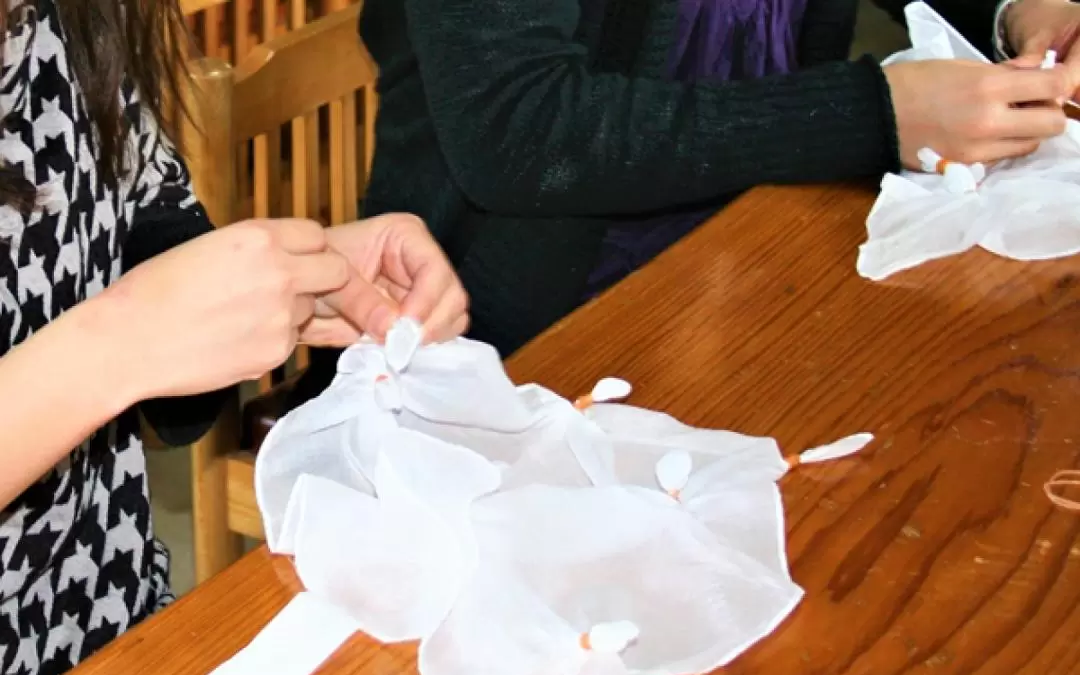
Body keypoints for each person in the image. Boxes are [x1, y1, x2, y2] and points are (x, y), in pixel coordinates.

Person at [0, 0, 466, 675]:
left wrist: (292, 278)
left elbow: (143, 225)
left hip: (112, 628)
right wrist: (117, 343)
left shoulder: (72, 17)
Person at [336, 0, 1080, 362]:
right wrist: (875, 114)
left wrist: (1021, 9)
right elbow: (520, 131)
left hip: (758, 252)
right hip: (527, 329)